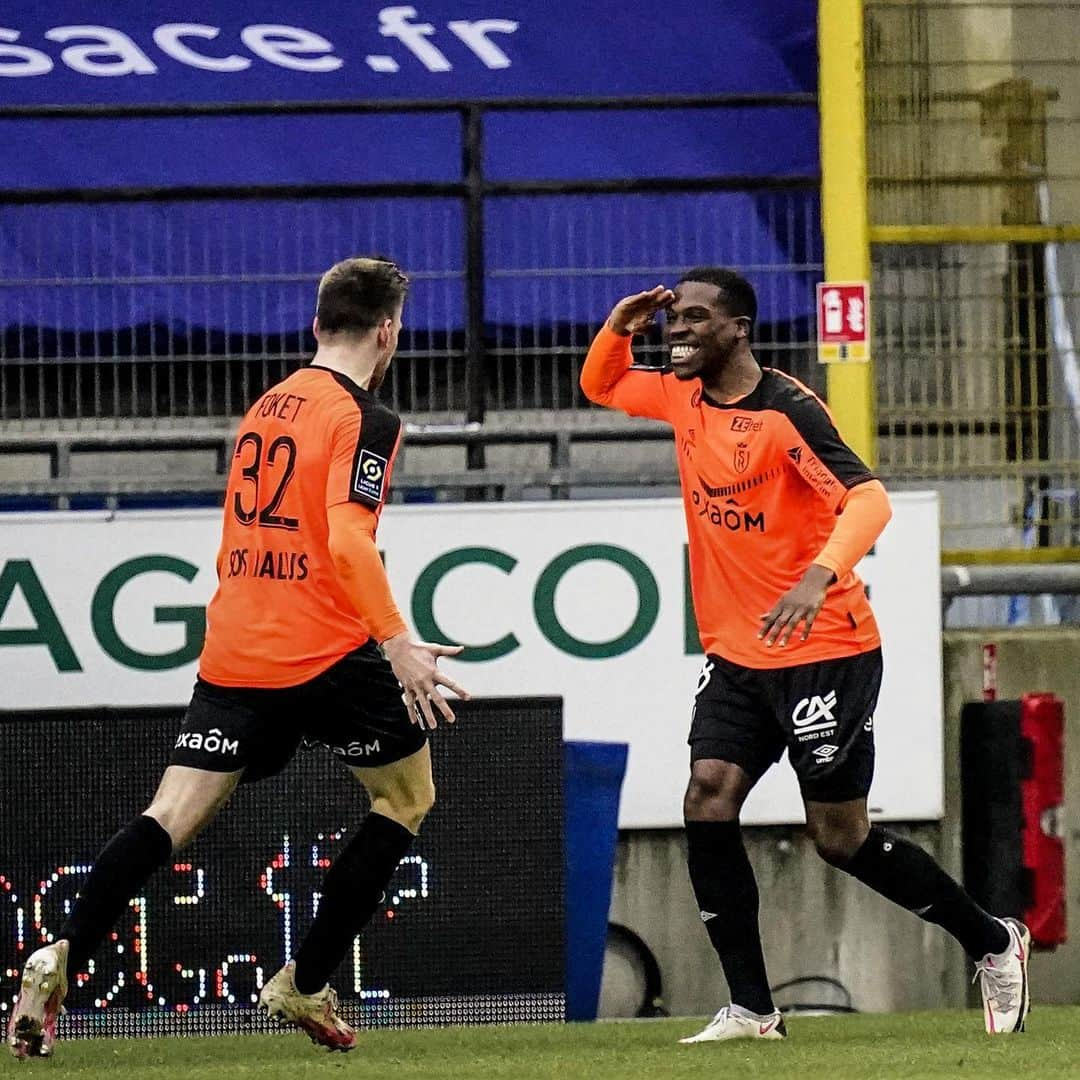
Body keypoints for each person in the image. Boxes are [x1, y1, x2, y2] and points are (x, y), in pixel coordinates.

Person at [7, 256, 469, 1059]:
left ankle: (60, 953)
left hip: (235, 651)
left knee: (168, 816)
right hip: (325, 649)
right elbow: (348, 539)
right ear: (391, 330)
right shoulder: (367, 419)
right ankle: (306, 980)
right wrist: (395, 641)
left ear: (315, 323)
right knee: (405, 797)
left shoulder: (265, 405)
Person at [579, 269, 1030, 1042]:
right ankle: (754, 1009)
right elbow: (603, 383)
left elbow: (869, 499)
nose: (677, 330)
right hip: (737, 657)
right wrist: (621, 325)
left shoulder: (787, 413)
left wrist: (818, 577)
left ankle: (994, 941)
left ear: (739, 329)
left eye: (694, 318)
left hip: (827, 650)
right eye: (672, 318)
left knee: (839, 838)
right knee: (707, 796)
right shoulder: (681, 396)